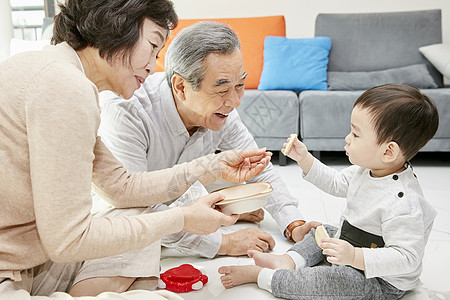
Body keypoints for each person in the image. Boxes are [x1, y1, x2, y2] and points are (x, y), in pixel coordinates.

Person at [0, 1, 272, 298]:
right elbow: (67, 240)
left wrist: (212, 168)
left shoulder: (56, 71)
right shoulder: (65, 87)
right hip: (11, 274)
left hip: (32, 262)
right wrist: (181, 218)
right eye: (153, 45)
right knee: (155, 276)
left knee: (142, 217)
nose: (153, 64)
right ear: (117, 28)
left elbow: (121, 186)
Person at [98, 21, 319, 259]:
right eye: (222, 90)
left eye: (241, 85)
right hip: (123, 205)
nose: (235, 102)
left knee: (242, 175)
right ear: (181, 87)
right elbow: (134, 208)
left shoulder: (222, 113)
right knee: (127, 221)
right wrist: (223, 243)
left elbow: (260, 168)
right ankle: (220, 210)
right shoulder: (128, 112)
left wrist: (294, 223)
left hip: (181, 195)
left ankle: (220, 209)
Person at [218, 84, 439, 299]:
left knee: (335, 280)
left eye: (356, 134)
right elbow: (334, 182)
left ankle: (265, 277)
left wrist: (354, 256)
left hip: (379, 279)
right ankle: (289, 261)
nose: (347, 138)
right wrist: (305, 159)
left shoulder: (403, 203)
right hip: (351, 244)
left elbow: (407, 257)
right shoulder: (366, 171)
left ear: (388, 151)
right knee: (321, 231)